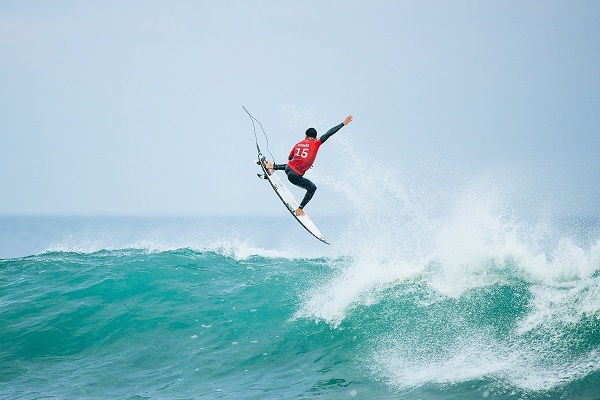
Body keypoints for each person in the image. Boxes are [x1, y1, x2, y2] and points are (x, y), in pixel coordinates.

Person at [265, 115, 353, 216]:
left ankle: (271, 166)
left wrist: (305, 162)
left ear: (306, 135)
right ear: (315, 137)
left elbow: (290, 159)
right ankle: (299, 209)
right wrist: (343, 124)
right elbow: (328, 134)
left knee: (290, 165)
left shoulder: (298, 143)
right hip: (295, 177)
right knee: (312, 188)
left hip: (288, 169)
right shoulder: (316, 143)